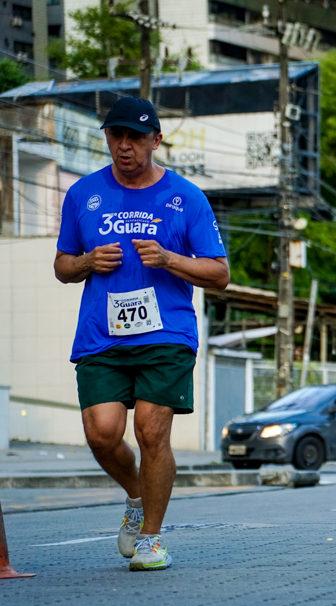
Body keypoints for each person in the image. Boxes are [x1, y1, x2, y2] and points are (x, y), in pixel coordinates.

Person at [53, 97, 230, 571]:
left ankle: (151, 537)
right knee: (102, 434)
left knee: (151, 431)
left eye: (135, 136)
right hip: (102, 335)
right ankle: (136, 495)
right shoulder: (83, 194)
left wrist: (169, 259)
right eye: (116, 135)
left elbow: (219, 273)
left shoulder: (186, 197)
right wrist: (87, 261)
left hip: (166, 333)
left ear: (156, 140)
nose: (125, 145)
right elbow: (62, 265)